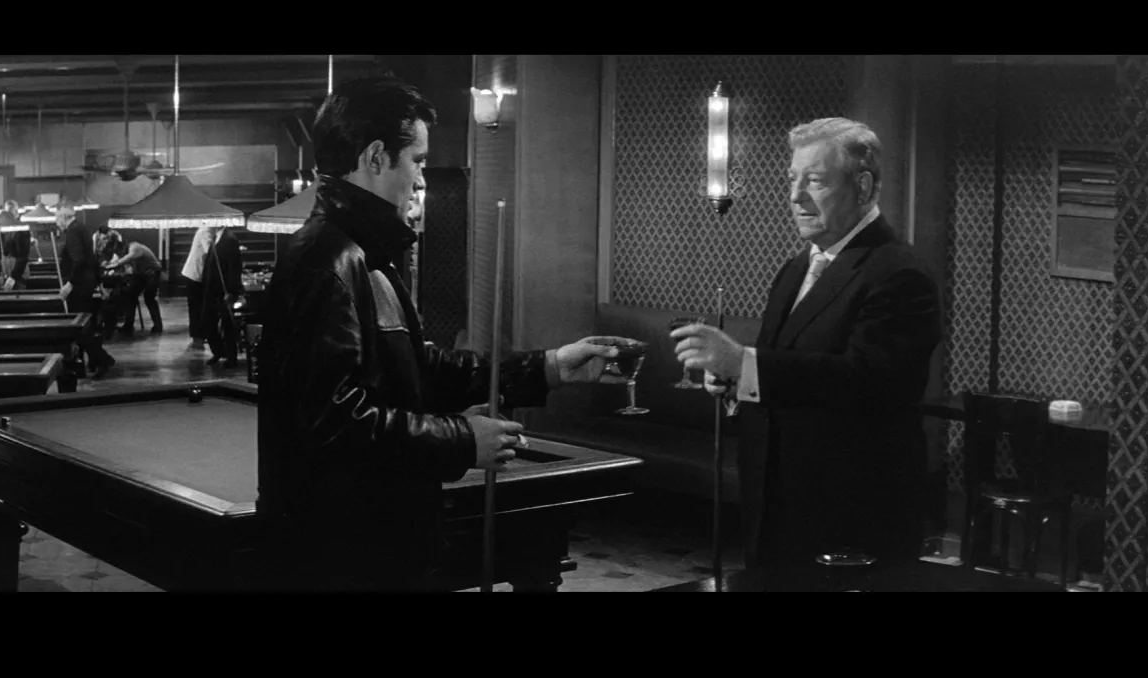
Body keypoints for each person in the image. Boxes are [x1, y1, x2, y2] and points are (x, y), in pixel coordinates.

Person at [255, 75, 636, 592]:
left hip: (366, 541)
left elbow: (420, 370)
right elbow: (333, 421)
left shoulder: (362, 252)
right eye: (417, 160)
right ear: (375, 158)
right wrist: (461, 440)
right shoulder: (330, 260)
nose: (420, 179)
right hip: (342, 553)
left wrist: (548, 367)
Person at [672, 117, 942, 572]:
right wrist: (733, 380)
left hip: (848, 505)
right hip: (776, 501)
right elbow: (782, 369)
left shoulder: (900, 273)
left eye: (814, 181)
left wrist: (745, 365)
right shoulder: (798, 266)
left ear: (862, 186)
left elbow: (866, 381)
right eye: (792, 179)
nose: (795, 197)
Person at [54, 204, 116, 378]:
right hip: (86, 283)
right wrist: (99, 283)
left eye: (57, 219)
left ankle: (102, 360)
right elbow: (91, 258)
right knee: (83, 327)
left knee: (78, 328)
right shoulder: (82, 228)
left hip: (79, 286)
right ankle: (89, 363)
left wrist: (70, 284)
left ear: (64, 218)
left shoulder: (73, 231)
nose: (56, 223)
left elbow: (79, 260)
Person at [102, 233, 164, 335]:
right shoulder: (125, 251)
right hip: (141, 274)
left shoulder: (135, 247)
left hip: (152, 272)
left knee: (149, 298)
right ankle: (128, 326)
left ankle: (158, 326)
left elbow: (129, 258)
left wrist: (113, 265)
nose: (118, 253)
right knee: (130, 297)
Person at [200, 226, 244, 367]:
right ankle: (218, 351)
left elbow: (234, 266)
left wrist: (231, 291)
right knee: (208, 321)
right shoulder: (216, 238)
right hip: (212, 289)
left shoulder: (229, 239)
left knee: (227, 325)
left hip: (223, 289)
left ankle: (231, 357)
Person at [181, 226, 213, 350]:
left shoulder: (208, 231)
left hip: (197, 274)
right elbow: (209, 250)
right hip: (194, 275)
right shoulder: (206, 231)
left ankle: (199, 336)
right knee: (196, 307)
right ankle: (197, 337)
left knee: (198, 307)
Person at [0, 200, 31, 291]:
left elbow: (23, 257)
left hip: (19, 272)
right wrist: (1, 273)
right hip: (6, 269)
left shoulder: (23, 229)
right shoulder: (2, 229)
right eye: (6, 213)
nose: (8, 216)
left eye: (11, 212)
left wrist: (13, 277)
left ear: (17, 213)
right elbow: (1, 253)